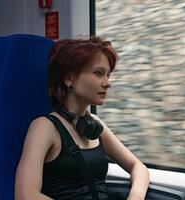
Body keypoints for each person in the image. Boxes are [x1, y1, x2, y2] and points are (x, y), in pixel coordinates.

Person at [15, 36, 150, 200]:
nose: (107, 83)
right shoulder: (44, 127)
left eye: (108, 75)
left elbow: (138, 167)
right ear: (69, 78)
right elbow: (25, 195)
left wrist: (134, 196)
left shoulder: (95, 125)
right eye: (98, 73)